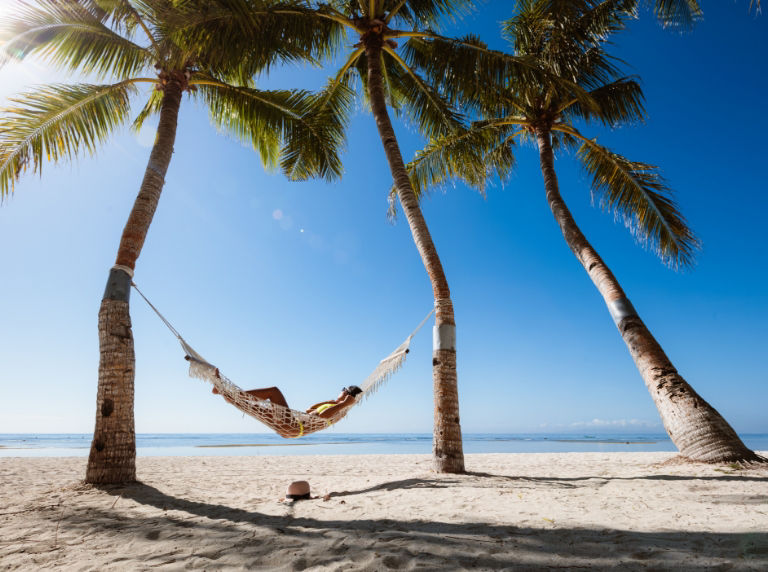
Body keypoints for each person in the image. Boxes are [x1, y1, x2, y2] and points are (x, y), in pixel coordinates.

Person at [212, 385, 363, 437]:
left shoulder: (341, 411)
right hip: (291, 426)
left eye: (344, 390)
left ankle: (230, 394)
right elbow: (309, 410)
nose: (340, 391)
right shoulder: (335, 405)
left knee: (274, 392)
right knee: (257, 409)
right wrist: (330, 402)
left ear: (348, 395)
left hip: (295, 426)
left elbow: (323, 417)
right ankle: (227, 395)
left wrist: (343, 404)